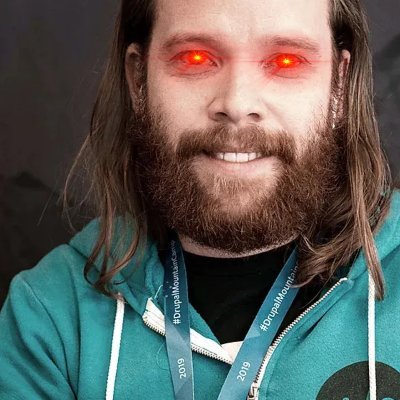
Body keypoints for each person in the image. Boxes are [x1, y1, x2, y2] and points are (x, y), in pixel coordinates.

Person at [1, 0, 399, 399]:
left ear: (339, 85)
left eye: (287, 61)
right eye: (195, 58)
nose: (237, 104)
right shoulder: (49, 316)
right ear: (138, 80)